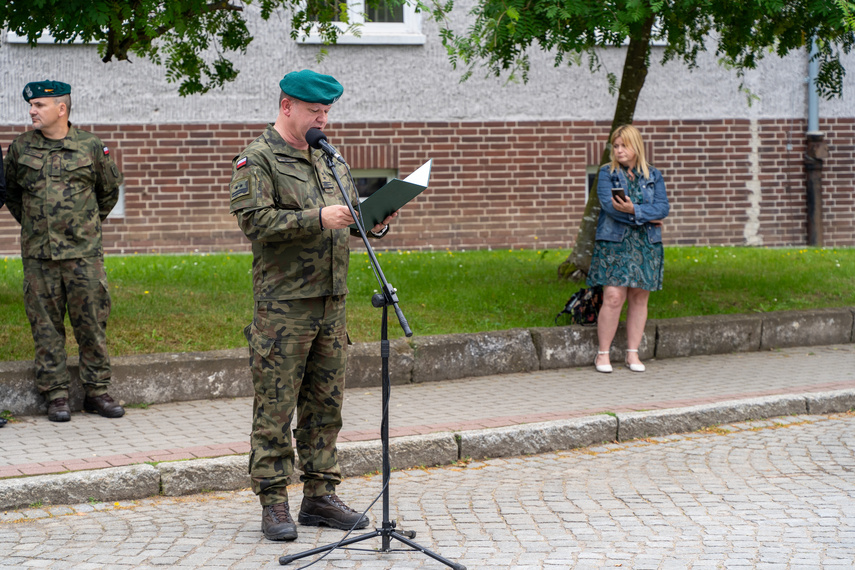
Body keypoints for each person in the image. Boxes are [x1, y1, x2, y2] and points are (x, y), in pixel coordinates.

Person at [229, 70, 397, 542]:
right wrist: (317, 217)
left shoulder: (330, 158)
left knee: (326, 405)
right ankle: (274, 500)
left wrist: (375, 219)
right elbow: (255, 222)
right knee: (276, 406)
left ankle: (320, 496)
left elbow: (347, 217)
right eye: (314, 112)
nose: (322, 120)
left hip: (332, 302)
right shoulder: (256, 159)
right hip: (284, 305)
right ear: (287, 106)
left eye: (326, 112)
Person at [3, 80, 125, 422]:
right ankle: (55, 395)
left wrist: (85, 226)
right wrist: (36, 225)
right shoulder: (20, 148)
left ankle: (97, 392)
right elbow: (11, 194)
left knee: (91, 324)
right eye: (31, 105)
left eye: (39, 105)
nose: (32, 111)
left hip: (83, 255)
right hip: (39, 256)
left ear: (61, 108)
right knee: (45, 327)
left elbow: (108, 192)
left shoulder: (89, 146)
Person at [587, 124, 670, 373]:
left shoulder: (653, 175)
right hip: (615, 243)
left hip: (646, 244)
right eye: (616, 146)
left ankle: (632, 354)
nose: (619, 150)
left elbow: (663, 208)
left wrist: (634, 210)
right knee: (613, 297)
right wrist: (646, 216)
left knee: (639, 297)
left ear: (636, 146)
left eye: (624, 145)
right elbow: (611, 207)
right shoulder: (606, 173)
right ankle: (603, 354)